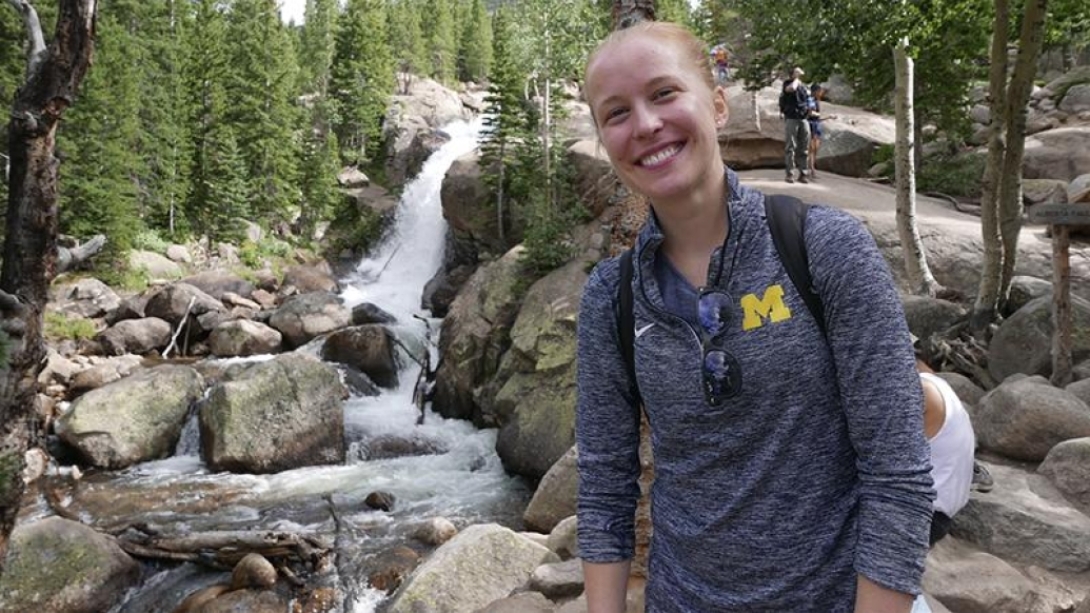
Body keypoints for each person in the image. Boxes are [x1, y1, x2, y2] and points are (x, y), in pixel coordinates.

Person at [578, 21, 934, 613]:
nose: (644, 125)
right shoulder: (610, 299)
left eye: (664, 93)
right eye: (616, 113)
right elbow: (604, 490)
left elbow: (896, 475)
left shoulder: (823, 249)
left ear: (718, 106)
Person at [780, 66, 812, 183]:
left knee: (804, 147)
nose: (800, 74)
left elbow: (809, 100)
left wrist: (810, 111)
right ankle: (790, 174)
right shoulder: (788, 84)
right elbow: (791, 89)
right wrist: (796, 80)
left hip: (803, 119)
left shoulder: (804, 87)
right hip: (791, 118)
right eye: (797, 72)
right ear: (792, 74)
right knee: (791, 147)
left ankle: (803, 174)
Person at [807, 83, 827, 180]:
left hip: (817, 125)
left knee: (815, 149)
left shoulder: (817, 101)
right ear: (815, 91)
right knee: (812, 148)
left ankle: (812, 168)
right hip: (812, 124)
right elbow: (811, 113)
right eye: (820, 91)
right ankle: (811, 169)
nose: (821, 93)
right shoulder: (811, 100)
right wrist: (823, 116)